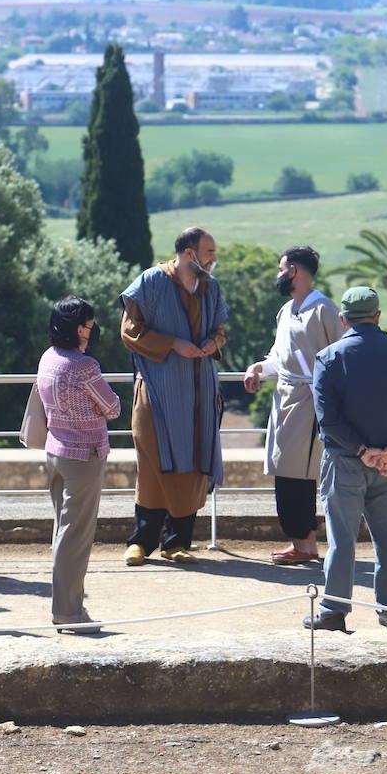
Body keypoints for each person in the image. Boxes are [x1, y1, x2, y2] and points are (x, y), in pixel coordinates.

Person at [307, 286, 387, 633]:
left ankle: (333, 611)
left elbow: (328, 419)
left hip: (346, 461)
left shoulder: (328, 357)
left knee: (342, 539)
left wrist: (362, 451)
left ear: (343, 319)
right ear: (378, 316)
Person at [120, 226, 227, 565]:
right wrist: (172, 344)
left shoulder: (211, 287)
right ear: (189, 253)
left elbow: (220, 330)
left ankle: (178, 542)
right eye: (209, 252)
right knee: (154, 462)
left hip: (199, 391)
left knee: (194, 464)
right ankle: (141, 541)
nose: (213, 259)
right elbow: (129, 330)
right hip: (158, 389)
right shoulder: (150, 282)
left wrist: (213, 343)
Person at [243, 245, 342, 564]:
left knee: (301, 474)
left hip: (311, 401)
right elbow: (279, 356)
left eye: (280, 268)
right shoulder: (286, 311)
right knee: (285, 470)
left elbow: (341, 354)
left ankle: (305, 543)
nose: (278, 275)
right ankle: (302, 542)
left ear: (294, 271)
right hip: (284, 399)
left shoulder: (324, 309)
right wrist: (259, 367)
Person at [35, 297, 121, 634]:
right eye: (87, 323)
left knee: (63, 533)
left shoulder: (48, 359)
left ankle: (71, 607)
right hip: (83, 457)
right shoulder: (84, 366)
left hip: (55, 452)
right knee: (76, 538)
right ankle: (68, 613)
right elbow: (112, 407)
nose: (91, 329)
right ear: (77, 327)